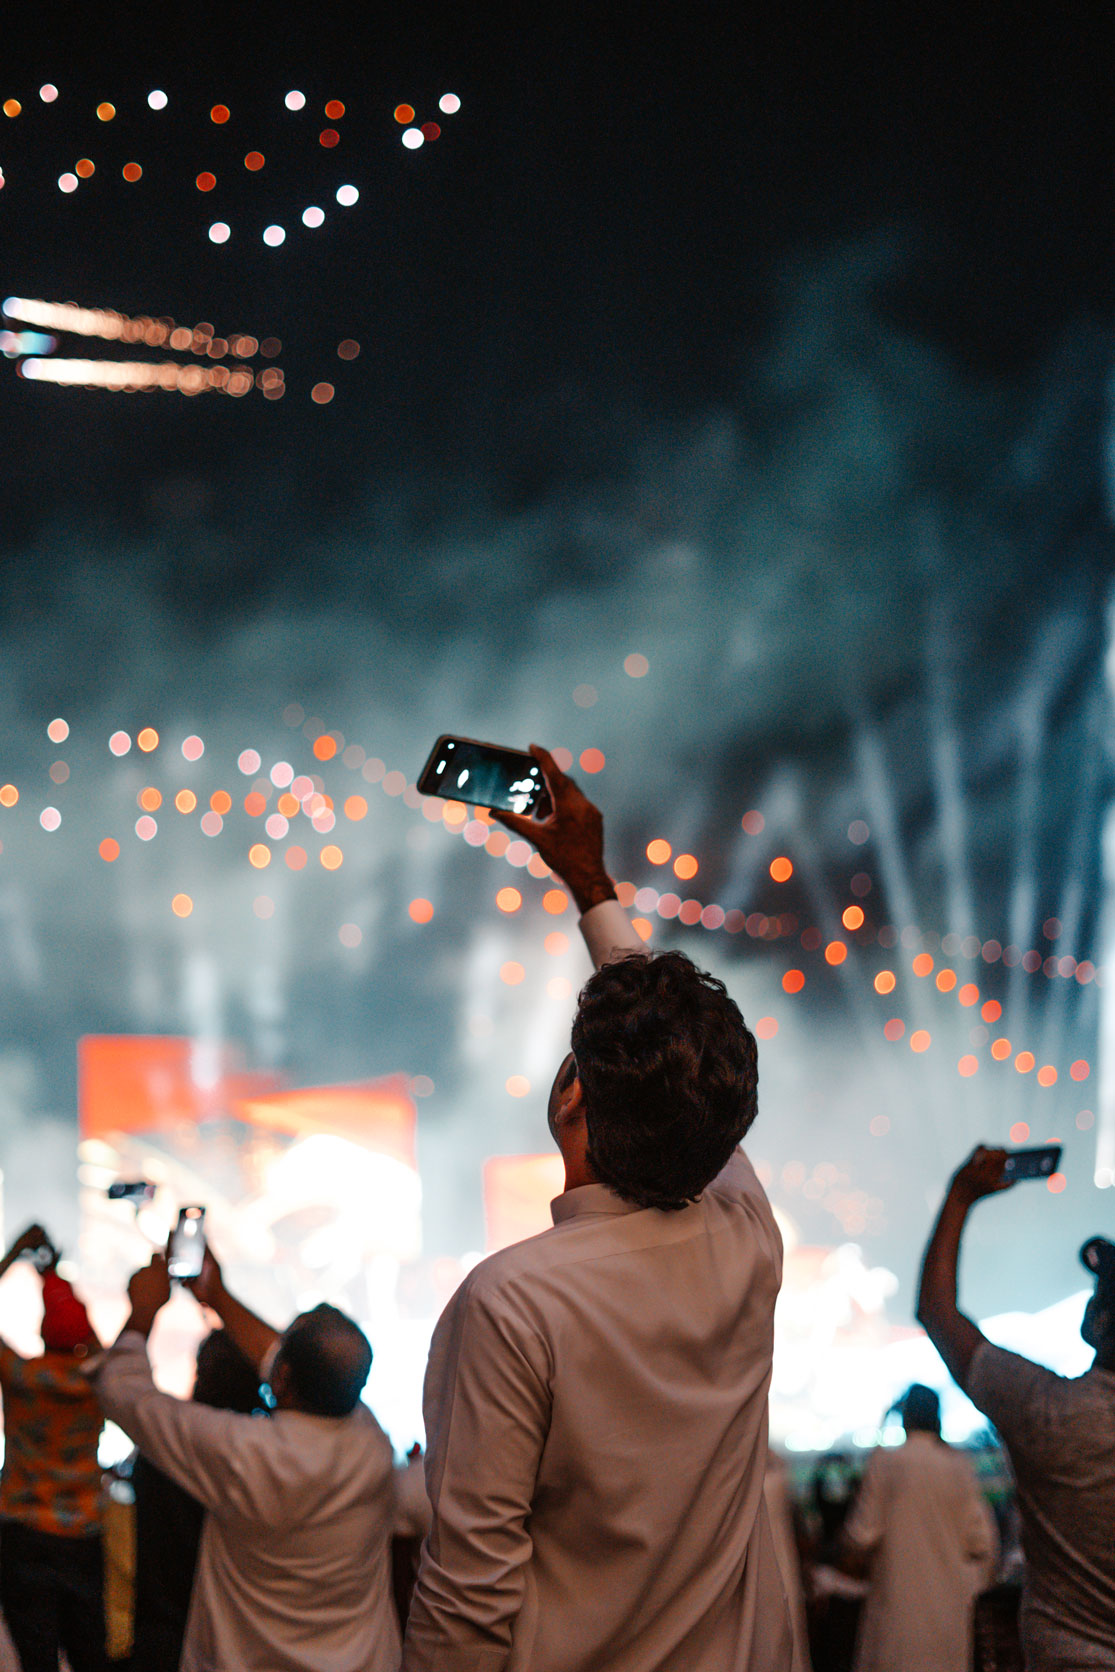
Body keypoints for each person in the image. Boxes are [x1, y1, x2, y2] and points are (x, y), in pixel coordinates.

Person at [402, 747, 793, 1672]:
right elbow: (685, 1077)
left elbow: (468, 1596)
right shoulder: (747, 1237)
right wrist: (590, 884)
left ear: (571, 1096)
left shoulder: (513, 1302)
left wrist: (587, 880)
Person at [90, 1245, 401, 1672]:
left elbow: (120, 1388)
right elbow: (289, 1362)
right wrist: (217, 1296)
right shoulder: (372, 1442)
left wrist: (144, 1310)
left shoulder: (243, 1453)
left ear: (283, 1377)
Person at [917, 1145, 1115, 1671]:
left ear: (1100, 1322)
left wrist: (961, 1196)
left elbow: (937, 1312)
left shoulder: (1051, 1414)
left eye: (1102, 1292)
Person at [0, 1223, 107, 1672]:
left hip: (23, 1532)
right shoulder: (101, 1380)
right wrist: (55, 1278)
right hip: (82, 1535)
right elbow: (96, 1343)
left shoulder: (21, 1376)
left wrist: (15, 1255)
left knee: (36, 1657)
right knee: (89, 1656)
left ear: (43, 1332)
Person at [130, 1327, 264, 1672]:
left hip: (159, 1632)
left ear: (200, 1374)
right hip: (238, 1642)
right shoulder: (266, 1463)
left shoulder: (160, 1447)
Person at [839, 1383, 997, 1672]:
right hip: (948, 1617)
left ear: (905, 1417)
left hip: (897, 1617)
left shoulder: (888, 1463)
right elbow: (981, 1541)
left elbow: (861, 1534)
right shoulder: (958, 1466)